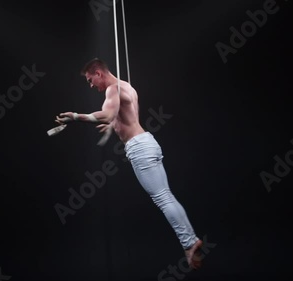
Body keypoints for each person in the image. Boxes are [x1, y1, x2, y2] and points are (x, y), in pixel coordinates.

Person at [55, 58, 203, 269]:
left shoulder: (112, 89)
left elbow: (107, 113)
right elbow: (118, 116)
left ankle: (190, 242)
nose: (91, 85)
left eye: (90, 80)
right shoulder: (127, 87)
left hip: (139, 147)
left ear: (99, 73)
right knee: (166, 196)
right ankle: (190, 241)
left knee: (162, 198)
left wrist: (76, 116)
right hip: (148, 143)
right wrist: (111, 124)